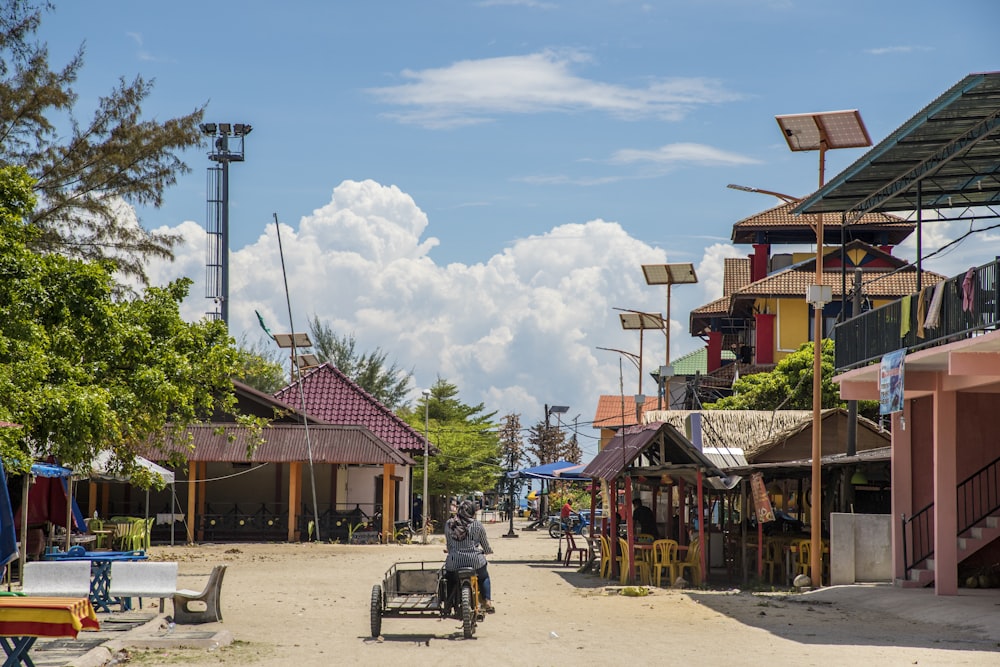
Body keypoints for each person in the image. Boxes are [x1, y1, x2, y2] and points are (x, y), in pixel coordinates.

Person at [445, 499, 495, 613]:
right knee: (484, 577)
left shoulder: (449, 524)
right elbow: (485, 545)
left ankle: (448, 602)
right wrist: (488, 551)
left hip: (454, 563)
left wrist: (451, 550)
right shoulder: (477, 525)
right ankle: (487, 601)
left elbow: (449, 545)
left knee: (449, 578)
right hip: (475, 562)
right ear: (473, 512)